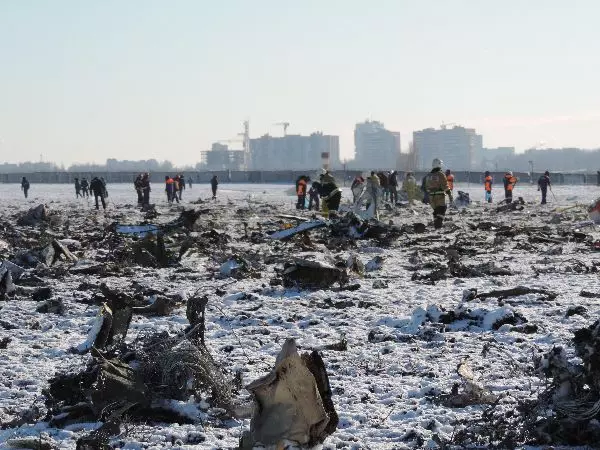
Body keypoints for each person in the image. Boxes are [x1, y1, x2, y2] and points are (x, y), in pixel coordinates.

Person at [425, 158, 453, 229]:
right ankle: (438, 226)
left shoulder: (429, 175)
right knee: (442, 209)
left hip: (431, 196)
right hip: (439, 196)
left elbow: (426, 186)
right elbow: (445, 185)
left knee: (436, 211)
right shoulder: (440, 174)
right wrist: (449, 194)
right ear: (439, 165)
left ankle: (436, 225)